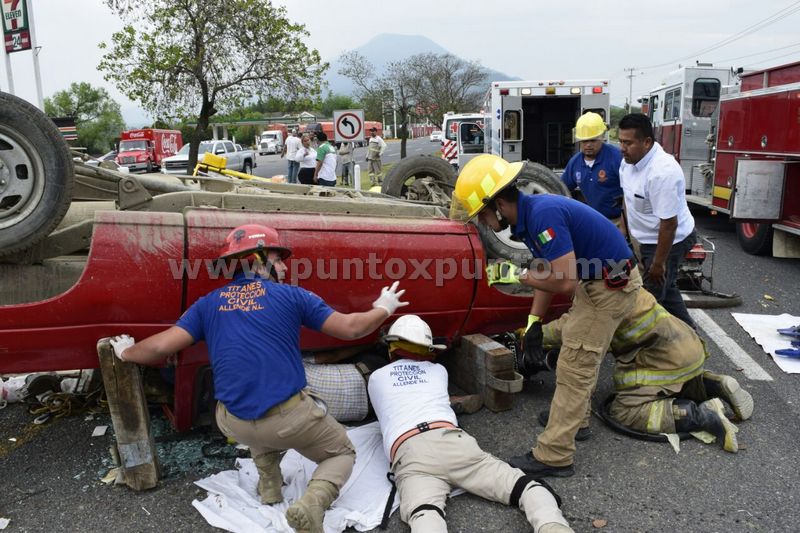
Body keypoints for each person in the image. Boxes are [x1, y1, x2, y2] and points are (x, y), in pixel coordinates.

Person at [452, 154, 748, 477]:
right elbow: (549, 270)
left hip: (608, 287)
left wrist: (514, 274)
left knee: (575, 363)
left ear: (496, 204)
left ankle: (554, 455)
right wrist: (533, 323)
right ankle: (576, 420)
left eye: (481, 216)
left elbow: (564, 281)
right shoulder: (529, 217)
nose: (482, 224)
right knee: (579, 351)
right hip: (600, 281)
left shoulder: (542, 216)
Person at [108, 223, 409, 533]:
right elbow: (351, 329)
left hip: (233, 423)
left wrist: (126, 353)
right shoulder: (292, 296)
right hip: (289, 421)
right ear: (257, 260)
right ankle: (312, 505)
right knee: (343, 453)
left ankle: (270, 486)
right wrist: (382, 308)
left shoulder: (209, 304)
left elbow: (158, 347)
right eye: (278, 259)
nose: (283, 267)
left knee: (252, 408)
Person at [368, 315, 573, 533]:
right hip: (453, 442)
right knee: (527, 487)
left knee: (425, 513)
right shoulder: (439, 372)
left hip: (412, 453)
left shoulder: (376, 378)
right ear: (428, 349)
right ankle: (554, 527)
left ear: (392, 347)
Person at [618, 113, 697, 329]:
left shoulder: (663, 172)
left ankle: (651, 348)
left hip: (671, 240)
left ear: (646, 142)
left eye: (628, 143)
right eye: (620, 141)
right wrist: (624, 230)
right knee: (667, 289)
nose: (622, 148)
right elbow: (627, 198)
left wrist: (659, 264)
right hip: (647, 238)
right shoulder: (627, 163)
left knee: (649, 298)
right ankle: (692, 337)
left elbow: (669, 224)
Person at [561, 112, 625, 234]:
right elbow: (561, 188)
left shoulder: (616, 158)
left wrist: (624, 226)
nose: (588, 145)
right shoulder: (575, 163)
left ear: (601, 137)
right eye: (584, 141)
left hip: (618, 221)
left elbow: (631, 192)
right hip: (594, 220)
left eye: (593, 140)